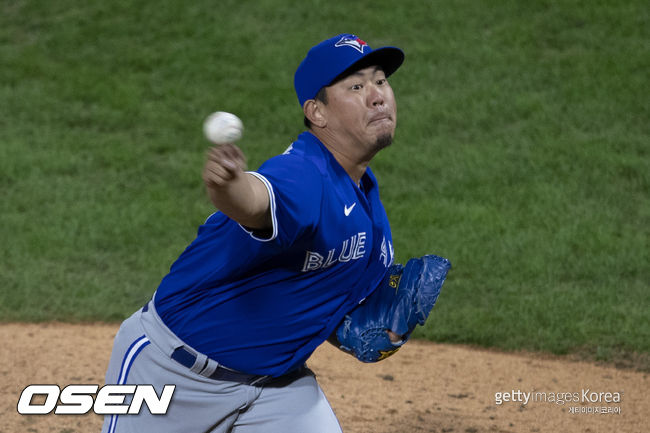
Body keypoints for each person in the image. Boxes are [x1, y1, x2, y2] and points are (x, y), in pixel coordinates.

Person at [101, 33, 405, 433]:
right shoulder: (304, 175)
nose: (378, 95)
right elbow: (259, 200)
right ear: (317, 112)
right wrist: (229, 187)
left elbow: (333, 297)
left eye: (380, 81)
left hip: (277, 388)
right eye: (356, 86)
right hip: (173, 377)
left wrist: (382, 323)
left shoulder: (366, 202)